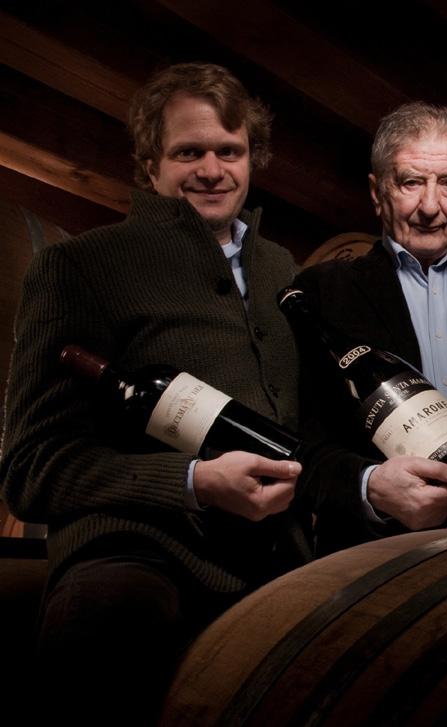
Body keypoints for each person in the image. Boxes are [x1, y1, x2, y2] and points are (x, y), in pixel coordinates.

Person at [0, 63, 307, 723]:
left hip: (275, 553)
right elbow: (31, 467)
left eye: (229, 151)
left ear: (252, 159)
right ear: (150, 165)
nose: (212, 170)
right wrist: (193, 482)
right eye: (188, 152)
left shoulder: (280, 267)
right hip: (136, 554)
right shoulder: (81, 264)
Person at [293, 102, 447, 555]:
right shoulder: (322, 292)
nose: (430, 206)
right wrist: (370, 484)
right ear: (378, 193)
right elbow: (301, 444)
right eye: (411, 182)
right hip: (384, 547)